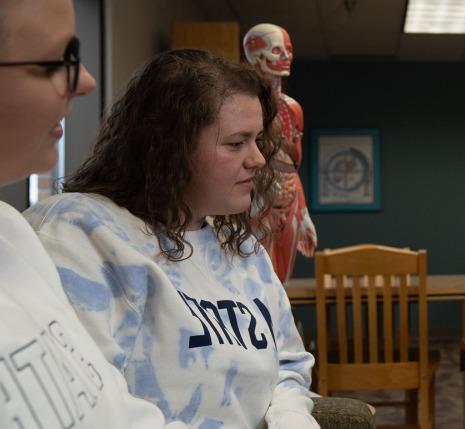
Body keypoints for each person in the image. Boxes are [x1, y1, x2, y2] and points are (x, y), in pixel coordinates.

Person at [22, 49, 319, 428]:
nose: (258, 159)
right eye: (236, 143)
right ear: (171, 148)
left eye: (258, 140)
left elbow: (290, 364)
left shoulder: (243, 248)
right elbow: (86, 398)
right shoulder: (79, 232)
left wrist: (292, 419)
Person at [0, 0, 186, 427]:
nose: (85, 81)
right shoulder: (69, 227)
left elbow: (117, 411)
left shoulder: (12, 235)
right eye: (58, 62)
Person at [243, 22, 317, 283]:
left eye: (288, 49)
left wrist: (304, 210)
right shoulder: (242, 106)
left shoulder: (292, 109)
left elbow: (292, 165)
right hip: (255, 199)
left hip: (289, 196)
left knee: (282, 281)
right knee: (257, 276)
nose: (286, 56)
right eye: (277, 49)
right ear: (255, 54)